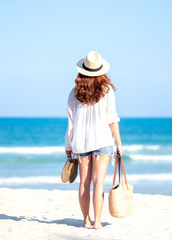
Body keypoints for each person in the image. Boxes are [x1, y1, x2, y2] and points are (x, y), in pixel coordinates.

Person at [65, 51, 123, 230]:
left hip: (81, 143)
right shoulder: (107, 91)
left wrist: (68, 145)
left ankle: (86, 220)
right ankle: (97, 222)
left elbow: (71, 123)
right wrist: (119, 143)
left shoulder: (74, 93)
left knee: (84, 182)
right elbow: (112, 119)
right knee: (99, 182)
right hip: (103, 141)